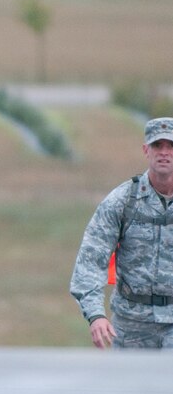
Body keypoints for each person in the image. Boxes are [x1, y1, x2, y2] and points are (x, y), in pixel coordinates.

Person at [71, 117, 173, 349]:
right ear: (146, 150)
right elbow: (91, 259)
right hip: (131, 327)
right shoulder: (123, 201)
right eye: (157, 145)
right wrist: (96, 315)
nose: (164, 152)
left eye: (171, 146)